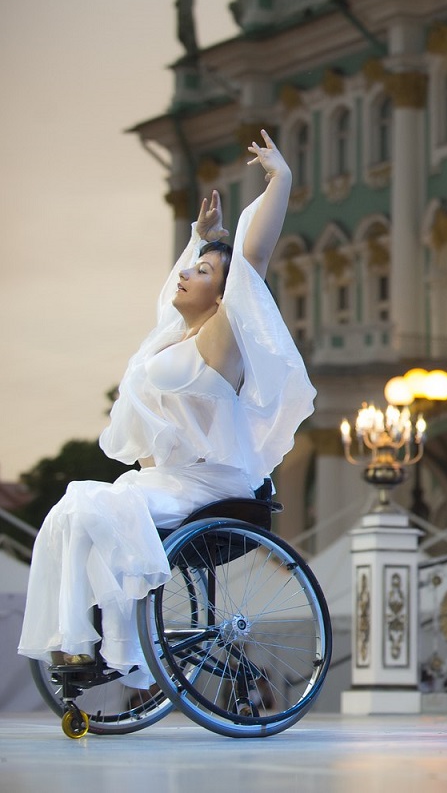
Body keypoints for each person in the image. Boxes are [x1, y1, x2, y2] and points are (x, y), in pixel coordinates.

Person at [18, 130, 315, 689]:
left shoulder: (222, 338)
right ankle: (80, 646)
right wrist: (198, 241)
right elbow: (170, 295)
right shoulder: (171, 342)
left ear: (226, 297)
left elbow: (251, 258)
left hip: (211, 484)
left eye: (202, 273)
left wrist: (281, 179)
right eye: (190, 268)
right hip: (170, 482)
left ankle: (122, 645)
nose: (185, 274)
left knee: (92, 505)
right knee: (72, 511)